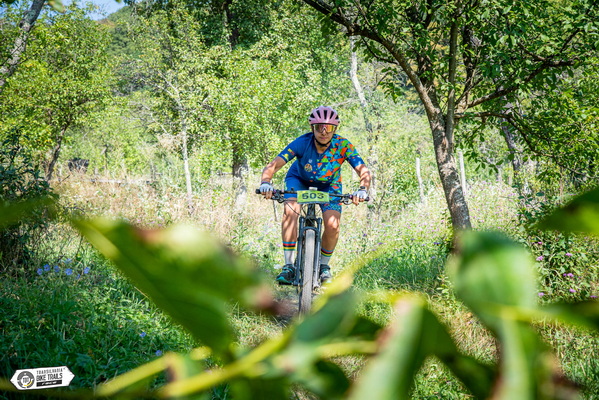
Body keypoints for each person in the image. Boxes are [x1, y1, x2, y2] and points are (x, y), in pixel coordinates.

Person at [259, 106, 371, 284]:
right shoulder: (302, 142)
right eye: (319, 127)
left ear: (335, 129)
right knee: (290, 212)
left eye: (329, 128)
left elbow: (362, 170)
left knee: (333, 225)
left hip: (329, 185)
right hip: (299, 180)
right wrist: (266, 183)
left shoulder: (343, 145)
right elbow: (274, 165)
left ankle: (323, 266)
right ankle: (288, 265)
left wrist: (363, 189)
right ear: (312, 128)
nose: (324, 132)